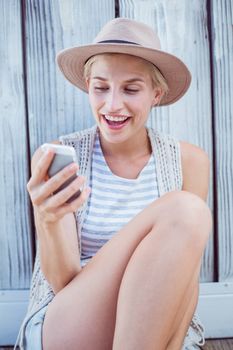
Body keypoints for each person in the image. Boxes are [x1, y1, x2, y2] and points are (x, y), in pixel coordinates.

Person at [15, 17, 212, 350]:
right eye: (101, 87)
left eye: (131, 89)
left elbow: (185, 278)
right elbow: (63, 283)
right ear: (89, 86)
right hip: (72, 320)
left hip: (148, 327)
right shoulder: (62, 158)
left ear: (156, 94)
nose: (112, 105)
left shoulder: (189, 161)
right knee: (186, 209)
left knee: (188, 214)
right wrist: (47, 220)